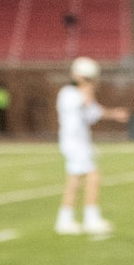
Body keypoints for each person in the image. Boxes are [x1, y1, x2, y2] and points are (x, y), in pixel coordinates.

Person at [52, 56, 125, 235]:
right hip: (74, 142)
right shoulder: (69, 93)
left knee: (74, 181)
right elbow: (84, 102)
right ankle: (91, 218)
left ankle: (65, 219)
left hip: (79, 141)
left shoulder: (77, 93)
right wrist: (87, 85)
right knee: (92, 177)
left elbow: (93, 112)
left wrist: (114, 114)